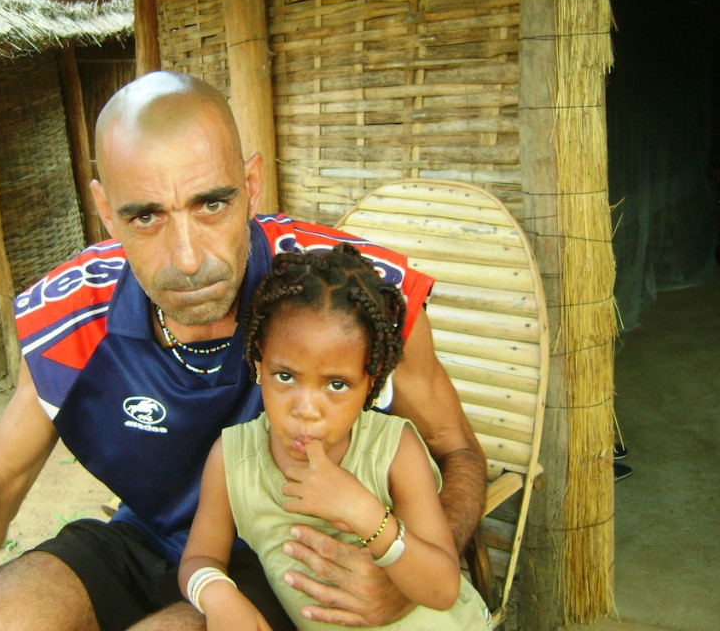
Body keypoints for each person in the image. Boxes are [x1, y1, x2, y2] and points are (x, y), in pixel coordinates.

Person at [0, 71, 486, 631]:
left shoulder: (345, 298)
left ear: (251, 183)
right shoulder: (71, 313)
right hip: (148, 539)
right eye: (147, 216)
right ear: (105, 211)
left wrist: (405, 573)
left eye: (212, 204)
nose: (189, 258)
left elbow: (458, 451)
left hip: (293, 553)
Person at [179, 244, 492, 630]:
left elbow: (442, 588)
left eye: (338, 384)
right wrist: (217, 593)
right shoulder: (232, 460)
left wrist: (362, 510)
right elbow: (199, 559)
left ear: (369, 385)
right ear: (259, 362)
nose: (307, 408)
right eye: (286, 376)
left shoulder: (393, 450)